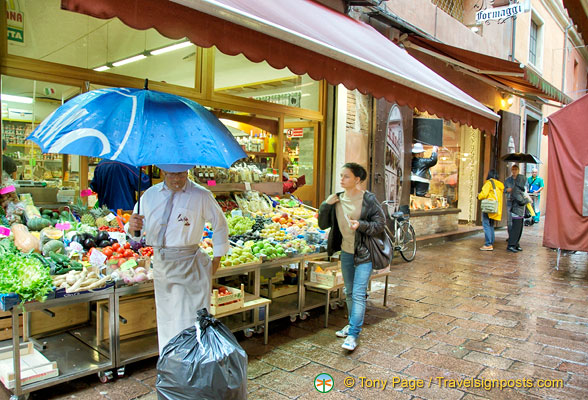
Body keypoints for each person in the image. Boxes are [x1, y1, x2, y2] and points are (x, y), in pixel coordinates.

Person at [127, 164, 229, 352]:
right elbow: (135, 232)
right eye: (172, 174)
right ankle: (171, 363)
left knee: (191, 319)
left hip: (191, 265)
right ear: (164, 172)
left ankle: (195, 364)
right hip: (162, 264)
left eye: (181, 174)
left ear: (188, 172)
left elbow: (220, 224)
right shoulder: (150, 195)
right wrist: (133, 226)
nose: (176, 179)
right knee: (167, 319)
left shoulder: (201, 195)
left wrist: (217, 259)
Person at [318, 163, 386, 352]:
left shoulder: (368, 199)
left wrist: (361, 225)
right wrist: (326, 205)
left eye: (346, 176)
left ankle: (353, 333)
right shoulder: (337, 199)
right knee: (348, 292)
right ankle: (351, 324)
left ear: (357, 179)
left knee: (357, 293)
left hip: (365, 252)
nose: (341, 179)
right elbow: (322, 225)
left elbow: (380, 224)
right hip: (346, 251)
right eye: (341, 175)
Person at [477, 170, 504, 251]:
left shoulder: (489, 183)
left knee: (486, 225)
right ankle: (491, 242)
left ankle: (488, 244)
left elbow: (484, 194)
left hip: (488, 207)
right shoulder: (499, 184)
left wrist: (479, 196)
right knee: (491, 225)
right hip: (495, 207)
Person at [507, 174, 531, 253]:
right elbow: (521, 201)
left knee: (519, 230)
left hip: (520, 212)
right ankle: (511, 245)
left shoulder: (520, 190)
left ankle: (516, 244)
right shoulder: (516, 190)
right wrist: (527, 200)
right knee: (515, 230)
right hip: (516, 212)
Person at [504, 164, 520, 233]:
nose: (514, 171)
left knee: (517, 220)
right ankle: (510, 236)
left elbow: (525, 189)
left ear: (518, 170)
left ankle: (515, 237)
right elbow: (503, 189)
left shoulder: (521, 179)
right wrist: (507, 190)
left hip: (518, 202)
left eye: (516, 169)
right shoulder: (507, 180)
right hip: (510, 201)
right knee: (509, 220)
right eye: (513, 169)